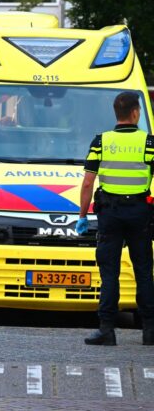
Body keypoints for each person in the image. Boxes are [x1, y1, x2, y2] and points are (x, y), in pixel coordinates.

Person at [77, 91, 154, 346]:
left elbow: (88, 183)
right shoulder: (149, 143)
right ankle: (150, 331)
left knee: (109, 272)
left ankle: (107, 329)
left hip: (110, 214)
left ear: (116, 113)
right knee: (143, 271)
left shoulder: (101, 142)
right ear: (135, 113)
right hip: (140, 214)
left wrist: (82, 216)